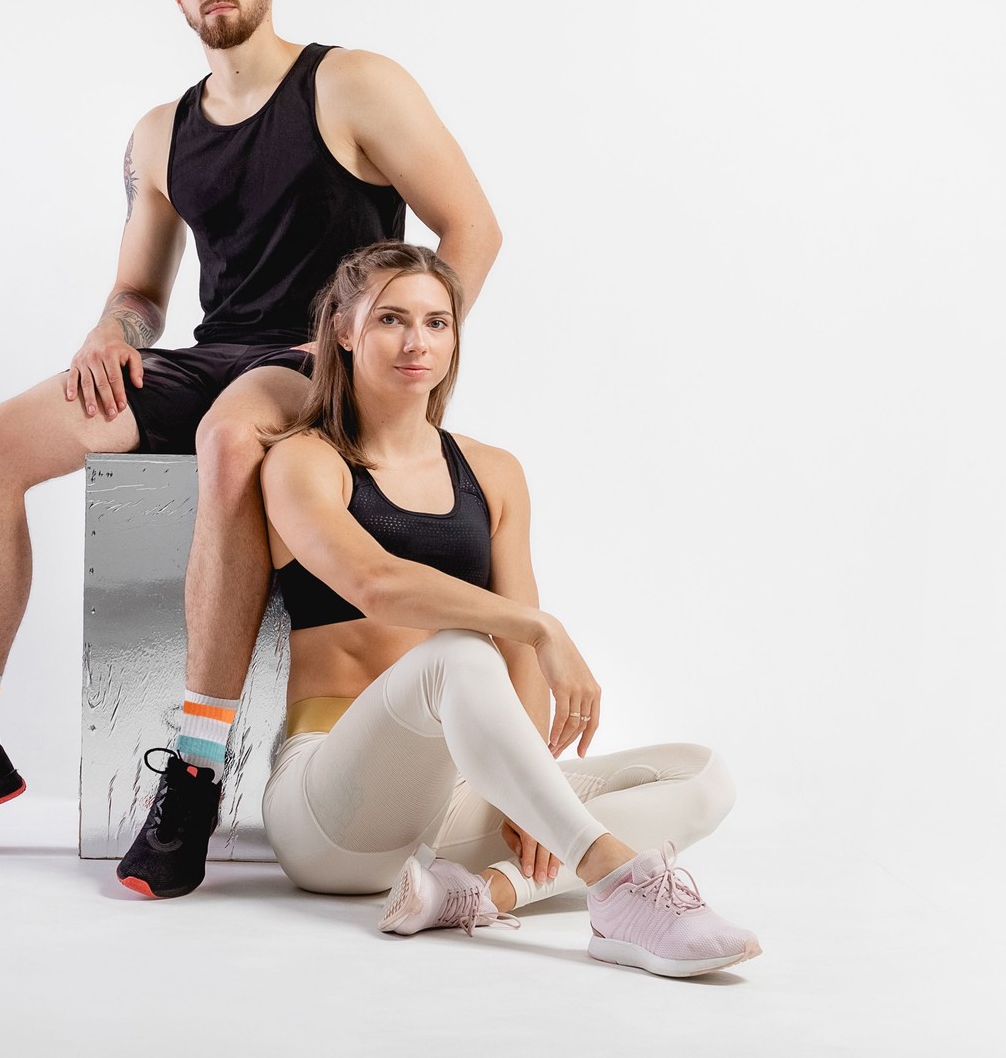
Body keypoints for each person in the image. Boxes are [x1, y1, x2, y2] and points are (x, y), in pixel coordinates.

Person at [0, 0, 503, 906]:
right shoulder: (161, 133)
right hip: (209, 352)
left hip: (308, 359)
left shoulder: (353, 83)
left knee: (232, 438)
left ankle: (193, 771)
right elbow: (142, 294)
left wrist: (388, 362)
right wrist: (113, 333)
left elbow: (473, 226)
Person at [258, 241, 760, 976]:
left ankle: (476, 892)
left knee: (702, 776)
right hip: (331, 812)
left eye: (437, 322)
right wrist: (538, 624)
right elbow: (374, 581)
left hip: (449, 802)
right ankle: (621, 888)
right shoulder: (305, 460)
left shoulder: (491, 472)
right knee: (461, 650)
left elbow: (520, 658)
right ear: (344, 329)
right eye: (392, 319)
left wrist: (527, 798)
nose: (416, 342)